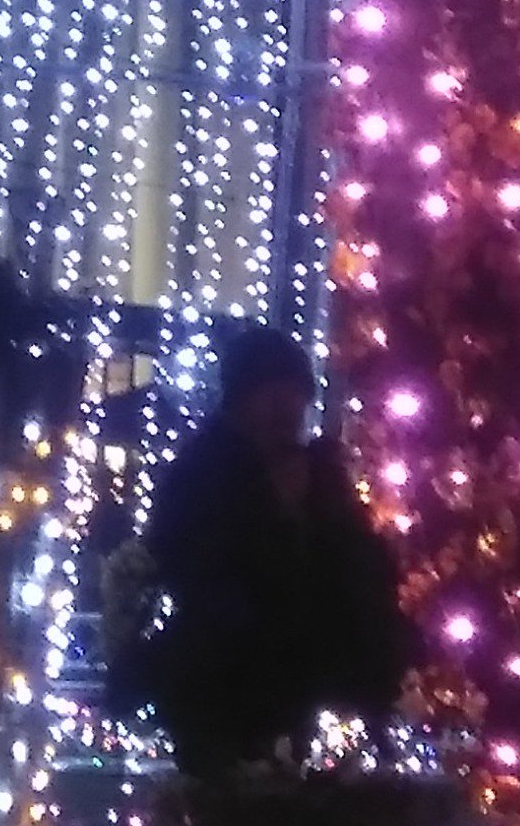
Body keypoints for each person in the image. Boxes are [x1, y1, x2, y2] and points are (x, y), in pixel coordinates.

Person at [133, 329, 412, 780]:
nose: (285, 407)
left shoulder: (324, 474)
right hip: (228, 689)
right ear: (241, 399)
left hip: (316, 688)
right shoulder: (204, 472)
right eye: (270, 392)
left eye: (294, 393)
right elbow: (190, 564)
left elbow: (358, 567)